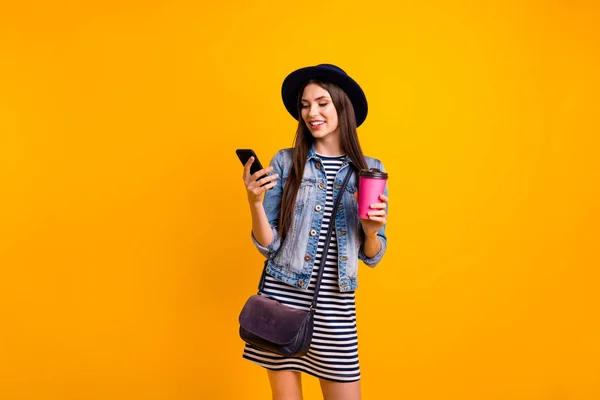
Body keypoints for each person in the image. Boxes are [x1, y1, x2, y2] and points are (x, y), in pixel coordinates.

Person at [241, 64, 388, 400]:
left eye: (322, 103)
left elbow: (373, 256)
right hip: (281, 302)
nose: (312, 112)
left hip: (335, 310)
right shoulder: (285, 161)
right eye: (305, 105)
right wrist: (254, 202)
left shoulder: (371, 171)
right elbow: (269, 246)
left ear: (342, 106)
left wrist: (370, 231)